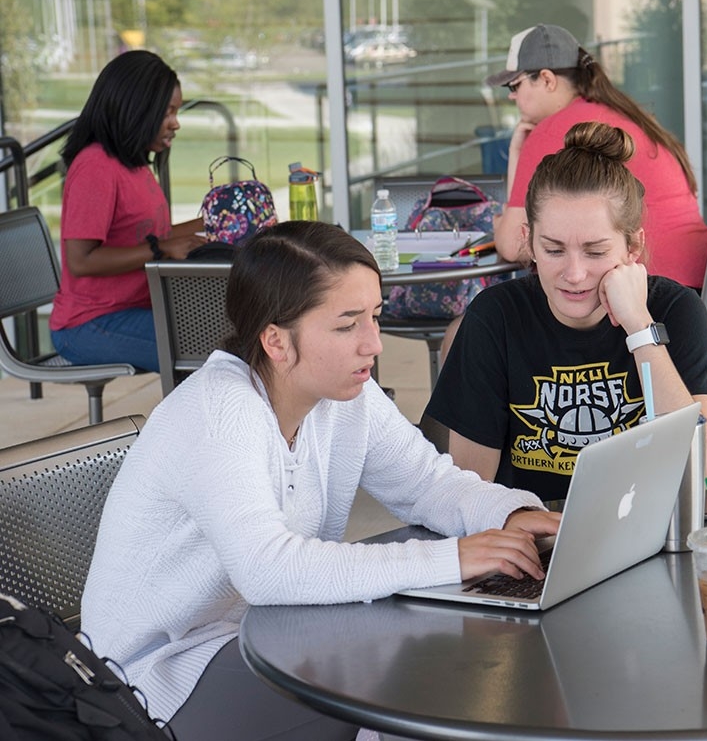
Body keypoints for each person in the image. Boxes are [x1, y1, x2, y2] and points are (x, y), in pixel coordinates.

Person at [80, 220, 561, 741]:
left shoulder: (341, 394)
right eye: (346, 324)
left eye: (374, 317)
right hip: (153, 681)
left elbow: (427, 483)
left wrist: (515, 515)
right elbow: (268, 570)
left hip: (267, 633)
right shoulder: (220, 412)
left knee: (448, 653)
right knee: (414, 678)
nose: (373, 344)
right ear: (276, 341)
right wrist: (453, 557)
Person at [425, 121, 707, 504]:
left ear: (633, 247)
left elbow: (699, 469)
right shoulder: (495, 317)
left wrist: (640, 328)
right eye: (553, 249)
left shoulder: (674, 311)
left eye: (596, 252)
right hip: (531, 537)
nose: (575, 274)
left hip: (650, 532)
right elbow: (471, 492)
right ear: (528, 241)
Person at [487, 23, 707, 290]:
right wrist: (517, 153)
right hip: (694, 285)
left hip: (645, 292)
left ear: (546, 79)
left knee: (470, 326)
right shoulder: (620, 112)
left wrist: (503, 220)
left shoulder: (552, 130)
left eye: (514, 85)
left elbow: (514, 245)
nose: (512, 97)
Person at [49, 50, 206, 372]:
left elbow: (150, 236)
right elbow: (81, 261)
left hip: (136, 310)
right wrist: (161, 248)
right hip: (89, 324)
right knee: (214, 349)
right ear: (137, 108)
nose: (176, 123)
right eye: (168, 112)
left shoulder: (132, 163)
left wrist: (214, 223)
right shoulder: (95, 167)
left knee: (230, 330)